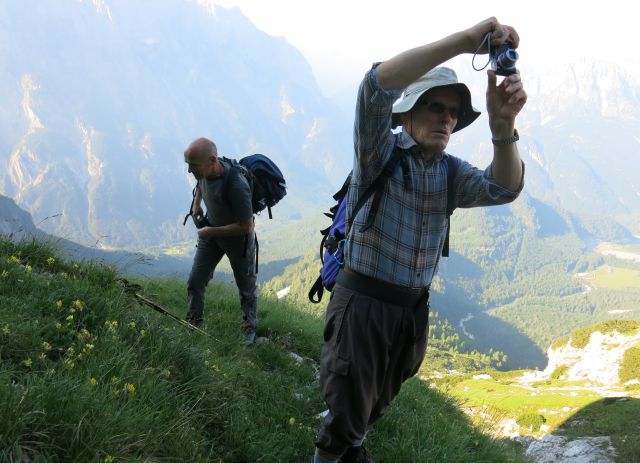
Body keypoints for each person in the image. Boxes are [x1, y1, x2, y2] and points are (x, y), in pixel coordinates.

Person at [313, 17, 527, 463]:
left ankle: (352, 449)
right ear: (406, 114)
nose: (446, 117)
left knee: (374, 401)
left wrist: (502, 127)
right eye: (435, 106)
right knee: (347, 406)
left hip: (410, 311)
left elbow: (504, 187)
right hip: (363, 303)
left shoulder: (449, 172)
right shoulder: (379, 154)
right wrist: (468, 41)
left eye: (452, 112)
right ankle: (335, 454)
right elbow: (374, 86)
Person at [183, 137, 258, 346]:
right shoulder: (204, 170)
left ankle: (249, 332)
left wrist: (211, 231)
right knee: (195, 281)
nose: (190, 171)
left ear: (212, 160)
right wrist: (197, 204)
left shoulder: (236, 185)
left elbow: (247, 226)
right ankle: (192, 325)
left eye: (193, 165)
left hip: (237, 241)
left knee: (246, 287)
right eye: (188, 164)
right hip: (212, 234)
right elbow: (200, 182)